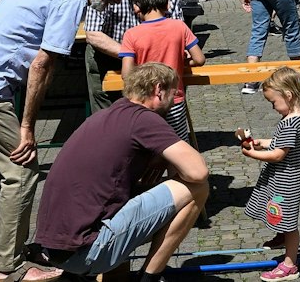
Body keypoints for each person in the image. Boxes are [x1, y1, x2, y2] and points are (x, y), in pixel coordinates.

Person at [0, 0, 137, 282]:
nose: (118, 0)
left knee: (21, 169)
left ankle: (19, 255)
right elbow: (42, 66)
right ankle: (8, 269)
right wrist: (27, 127)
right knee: (21, 171)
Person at [32, 63, 209, 282]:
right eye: (174, 94)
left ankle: (112, 276)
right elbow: (198, 172)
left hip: (56, 250)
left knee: (128, 196)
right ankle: (150, 277)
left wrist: (160, 158)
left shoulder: (106, 115)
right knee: (196, 188)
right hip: (87, 251)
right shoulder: (144, 118)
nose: (174, 102)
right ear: (158, 90)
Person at [84, 0, 184, 113]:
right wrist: (131, 54)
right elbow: (93, 33)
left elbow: (176, 25)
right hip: (108, 55)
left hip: (155, 61)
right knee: (108, 112)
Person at [240, 67, 300, 281]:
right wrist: (263, 142)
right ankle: (282, 235)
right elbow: (283, 143)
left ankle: (290, 265)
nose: (272, 107)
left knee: (289, 221)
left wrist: (253, 154)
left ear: (288, 95)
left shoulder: (290, 123)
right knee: (279, 210)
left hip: (286, 180)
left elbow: (278, 154)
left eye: (273, 102)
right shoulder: (296, 117)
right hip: (282, 177)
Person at [119, 0, 205, 142]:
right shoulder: (180, 27)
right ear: (167, 5)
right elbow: (199, 59)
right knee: (177, 143)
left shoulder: (131, 34)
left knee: (149, 144)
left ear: (137, 7)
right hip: (174, 98)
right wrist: (181, 62)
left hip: (145, 101)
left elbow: (126, 74)